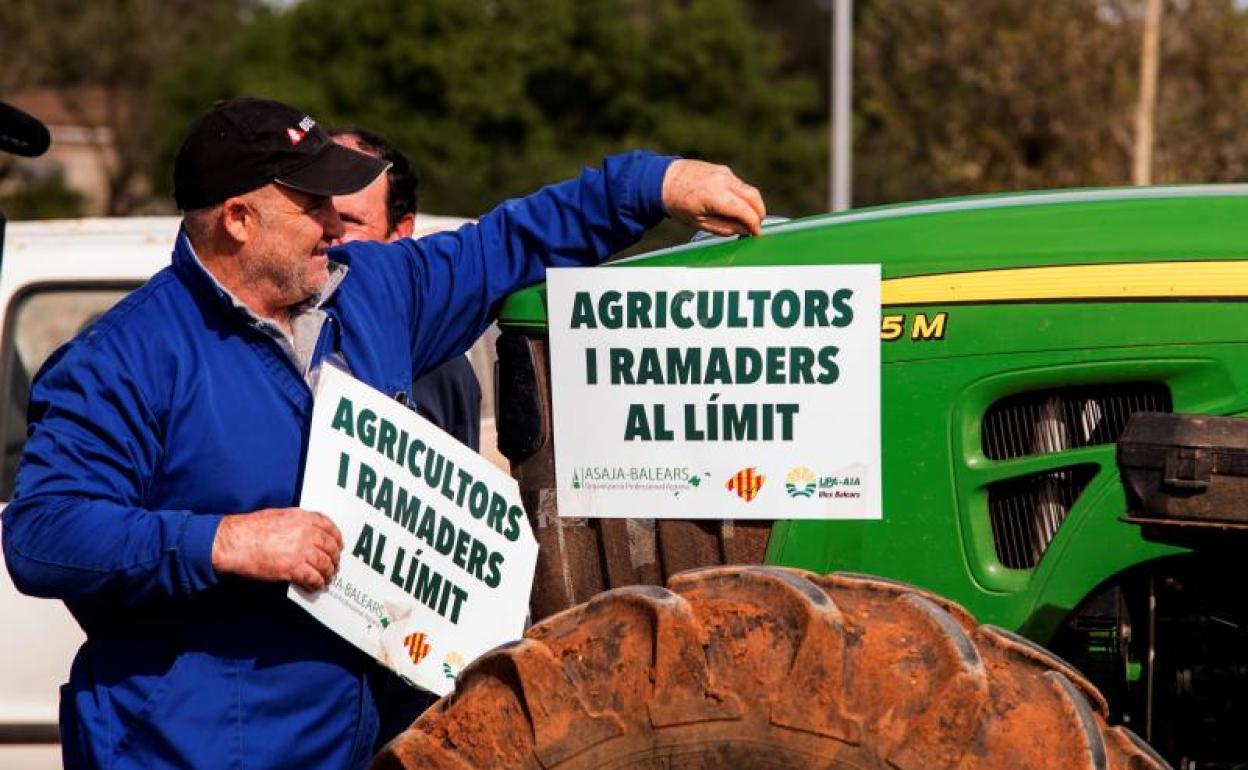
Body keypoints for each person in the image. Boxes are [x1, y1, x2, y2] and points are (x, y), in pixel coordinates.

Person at [0, 97, 764, 770]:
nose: (336, 225)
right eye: (313, 206)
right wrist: (226, 541)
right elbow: (43, 533)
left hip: (367, 739)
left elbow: (509, 244)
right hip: (190, 748)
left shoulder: (373, 292)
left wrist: (647, 184)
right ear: (239, 220)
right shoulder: (120, 361)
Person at [329, 127, 483, 451]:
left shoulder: (441, 368)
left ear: (400, 232)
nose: (327, 232)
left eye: (349, 221)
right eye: (313, 211)